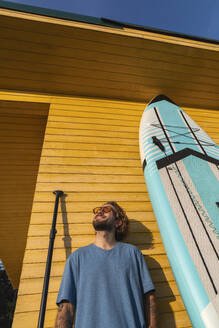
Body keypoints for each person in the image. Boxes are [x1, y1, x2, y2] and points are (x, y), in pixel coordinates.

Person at [55, 201, 158, 328]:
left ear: (118, 222)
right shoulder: (77, 258)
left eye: (107, 209)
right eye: (98, 209)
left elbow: (149, 298)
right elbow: (66, 308)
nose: (100, 211)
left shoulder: (133, 254)